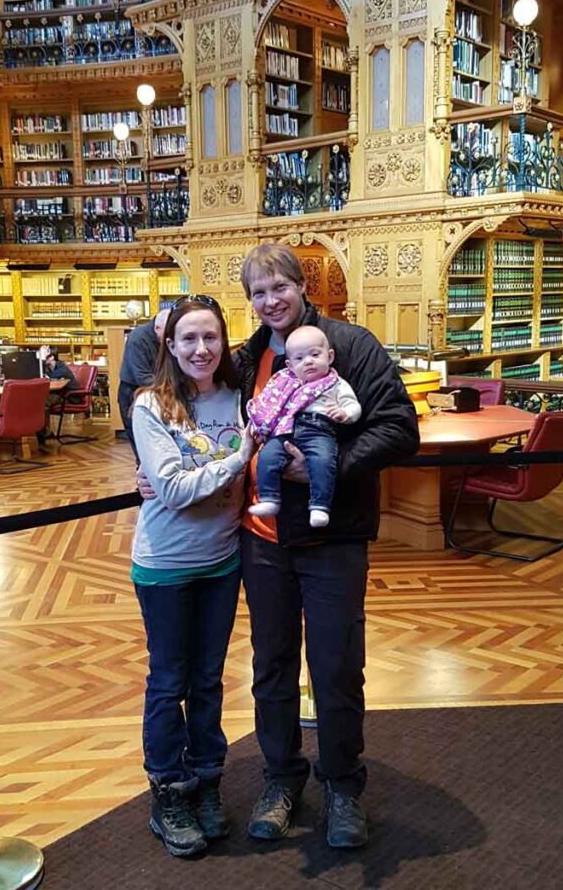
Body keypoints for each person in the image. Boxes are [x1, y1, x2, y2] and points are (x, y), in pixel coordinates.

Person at [235, 244, 420, 849]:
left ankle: (343, 786)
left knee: (338, 667)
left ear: (300, 284)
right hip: (261, 541)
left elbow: (398, 428)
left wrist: (324, 468)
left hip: (332, 535)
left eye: (279, 287)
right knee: (271, 666)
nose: (270, 301)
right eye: (258, 293)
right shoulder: (249, 356)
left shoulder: (350, 344)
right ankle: (281, 780)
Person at [131, 295, 255, 858]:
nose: (201, 349)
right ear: (170, 346)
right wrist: (234, 459)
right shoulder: (151, 405)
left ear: (223, 342)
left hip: (222, 562)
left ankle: (206, 783)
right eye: (189, 339)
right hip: (166, 568)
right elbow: (175, 491)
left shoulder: (239, 396)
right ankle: (168, 795)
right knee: (168, 682)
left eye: (211, 338)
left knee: (208, 680)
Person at [247, 325, 361, 528]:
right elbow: (271, 405)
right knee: (267, 456)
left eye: (315, 354)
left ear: (330, 356)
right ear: (290, 365)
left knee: (323, 460)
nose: (308, 361)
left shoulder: (334, 383)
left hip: (319, 430)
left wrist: (345, 414)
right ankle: (269, 498)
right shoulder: (284, 384)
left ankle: (319, 505)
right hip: (286, 429)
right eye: (300, 359)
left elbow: (353, 405)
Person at [118, 308, 170, 455]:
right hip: (133, 393)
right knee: (141, 447)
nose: (169, 339)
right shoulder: (137, 339)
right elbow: (142, 377)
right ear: (157, 327)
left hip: (158, 391)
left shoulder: (163, 335)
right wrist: (173, 386)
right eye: (166, 334)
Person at [37, 350, 75, 448]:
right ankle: (44, 431)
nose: (41, 359)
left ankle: (43, 433)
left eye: (45, 357)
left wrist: (41, 361)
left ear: (52, 357)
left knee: (42, 403)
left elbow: (51, 377)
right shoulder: (48, 368)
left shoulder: (62, 367)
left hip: (68, 396)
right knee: (38, 401)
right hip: (57, 393)